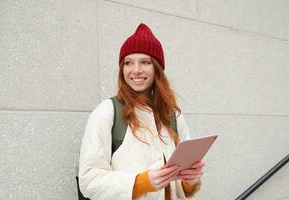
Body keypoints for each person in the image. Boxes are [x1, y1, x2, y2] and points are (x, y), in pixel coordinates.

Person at [78, 23, 204, 200]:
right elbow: (89, 180)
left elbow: (180, 185)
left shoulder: (173, 115)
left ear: (157, 69)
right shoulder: (107, 111)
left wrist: (190, 180)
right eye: (128, 63)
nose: (136, 70)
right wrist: (142, 183)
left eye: (145, 62)